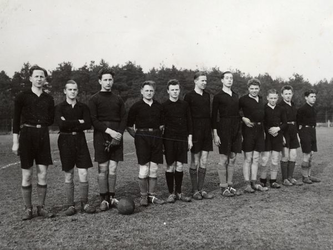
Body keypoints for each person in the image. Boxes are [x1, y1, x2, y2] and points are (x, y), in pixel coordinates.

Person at [12, 65, 54, 220]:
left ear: (45, 79)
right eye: (36, 76)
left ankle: (41, 208)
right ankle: (28, 209)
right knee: (27, 174)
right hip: (27, 135)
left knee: (43, 173)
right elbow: (16, 121)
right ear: (30, 78)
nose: (39, 79)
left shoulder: (48, 98)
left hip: (43, 135)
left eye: (42, 76)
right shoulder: (22, 96)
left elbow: (50, 119)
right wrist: (15, 142)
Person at [55, 80, 96, 216]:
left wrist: (70, 123)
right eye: (70, 89)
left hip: (80, 139)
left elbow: (88, 124)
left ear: (77, 91)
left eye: (75, 89)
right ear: (65, 91)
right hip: (65, 140)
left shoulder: (83, 107)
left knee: (83, 173)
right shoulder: (59, 107)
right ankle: (70, 205)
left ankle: (84, 203)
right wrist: (78, 121)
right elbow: (61, 124)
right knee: (69, 173)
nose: (72, 92)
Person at [88, 68, 127, 211]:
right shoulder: (94, 99)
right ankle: (103, 199)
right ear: (100, 81)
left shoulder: (118, 99)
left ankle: (111, 197)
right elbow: (93, 119)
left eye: (110, 79)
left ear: (113, 81)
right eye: (105, 80)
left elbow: (124, 118)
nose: (108, 82)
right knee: (103, 168)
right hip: (102, 135)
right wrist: (109, 131)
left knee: (113, 168)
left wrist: (119, 133)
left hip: (117, 135)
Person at [127, 81, 165, 206]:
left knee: (154, 168)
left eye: (151, 91)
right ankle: (143, 196)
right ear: (141, 91)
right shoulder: (136, 106)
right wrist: (138, 137)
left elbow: (162, 125)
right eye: (147, 90)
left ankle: (152, 195)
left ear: (154, 92)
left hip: (156, 137)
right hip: (142, 138)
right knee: (144, 168)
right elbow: (129, 125)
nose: (149, 93)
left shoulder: (159, 106)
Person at [184, 71, 214, 200]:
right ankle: (194, 189)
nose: (204, 83)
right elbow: (187, 117)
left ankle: (201, 189)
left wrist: (212, 131)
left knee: (205, 159)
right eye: (202, 80)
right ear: (195, 81)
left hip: (206, 130)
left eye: (206, 81)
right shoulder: (189, 96)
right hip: (195, 130)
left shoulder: (207, 96)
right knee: (195, 160)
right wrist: (189, 135)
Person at [212, 71, 242, 197]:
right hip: (223, 127)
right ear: (222, 80)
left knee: (233, 157)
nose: (229, 80)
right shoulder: (218, 96)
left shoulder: (236, 95)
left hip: (236, 127)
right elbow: (214, 116)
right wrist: (215, 134)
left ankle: (230, 185)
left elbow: (239, 113)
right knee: (224, 158)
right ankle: (223, 187)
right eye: (227, 78)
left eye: (231, 78)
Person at [162, 79, 192, 203]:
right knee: (170, 165)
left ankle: (179, 192)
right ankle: (171, 193)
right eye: (172, 90)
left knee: (180, 165)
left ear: (179, 90)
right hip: (168, 139)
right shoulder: (164, 106)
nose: (175, 92)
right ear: (168, 91)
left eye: (177, 90)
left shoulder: (184, 105)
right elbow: (161, 125)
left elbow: (189, 123)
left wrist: (189, 139)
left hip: (182, 139)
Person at [239, 79, 267, 193]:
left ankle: (254, 182)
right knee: (248, 158)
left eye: (256, 88)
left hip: (259, 130)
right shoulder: (243, 99)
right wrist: (243, 118)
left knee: (256, 158)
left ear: (259, 89)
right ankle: (247, 184)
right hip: (248, 129)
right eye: (252, 89)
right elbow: (236, 111)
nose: (254, 91)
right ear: (248, 89)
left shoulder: (261, 99)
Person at [260, 89, 287, 188]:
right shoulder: (263, 108)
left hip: (277, 136)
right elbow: (262, 123)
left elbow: (285, 123)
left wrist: (278, 128)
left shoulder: (281, 109)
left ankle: (273, 181)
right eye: (271, 98)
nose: (273, 100)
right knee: (264, 159)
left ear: (277, 98)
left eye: (275, 98)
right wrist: (269, 130)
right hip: (267, 137)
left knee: (275, 159)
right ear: (267, 98)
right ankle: (262, 180)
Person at [278, 85, 302, 186]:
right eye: (286, 94)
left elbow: (296, 121)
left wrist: (297, 134)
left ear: (292, 94)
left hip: (293, 131)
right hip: (284, 132)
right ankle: (284, 179)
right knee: (285, 155)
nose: (288, 96)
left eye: (289, 94)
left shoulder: (293, 105)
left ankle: (290, 177)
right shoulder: (280, 106)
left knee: (293, 155)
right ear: (282, 95)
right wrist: (281, 136)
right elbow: (278, 121)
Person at [297, 89, 321, 184]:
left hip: (312, 131)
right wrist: (300, 135)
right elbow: (298, 124)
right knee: (306, 154)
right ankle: (304, 176)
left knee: (311, 154)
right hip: (305, 131)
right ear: (306, 98)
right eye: (311, 96)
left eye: (315, 96)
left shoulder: (313, 108)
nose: (314, 98)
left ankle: (309, 175)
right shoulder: (302, 109)